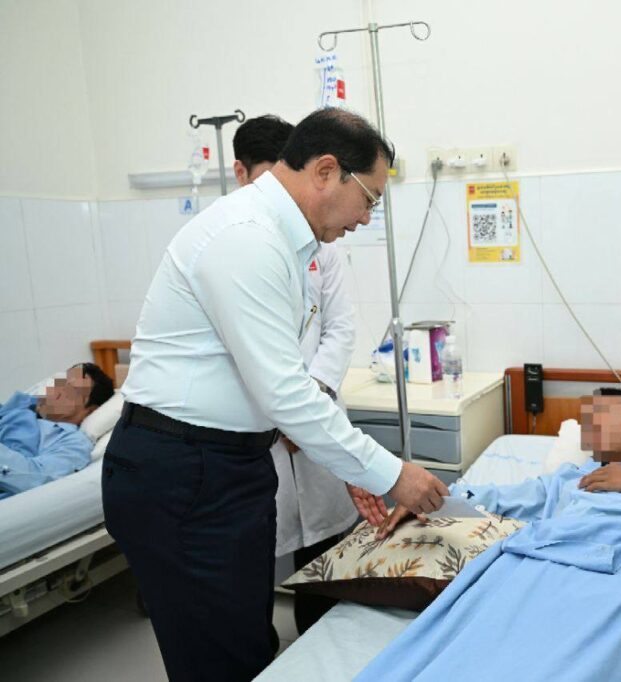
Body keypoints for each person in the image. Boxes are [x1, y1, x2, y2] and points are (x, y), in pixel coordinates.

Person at [102, 108, 448, 682]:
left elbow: (290, 378)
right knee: (219, 658)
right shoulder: (245, 238)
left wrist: (350, 464)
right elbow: (285, 392)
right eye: (369, 199)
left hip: (228, 465)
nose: (366, 217)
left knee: (247, 639)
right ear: (326, 171)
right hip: (184, 472)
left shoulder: (288, 243)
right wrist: (390, 473)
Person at [362, 388, 621, 682]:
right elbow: (498, 499)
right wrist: (432, 502)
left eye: (600, 413)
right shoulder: (568, 480)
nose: (589, 426)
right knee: (459, 657)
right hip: (531, 565)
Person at [234, 113, 363, 633]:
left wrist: (311, 398)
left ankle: (323, 648)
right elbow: (242, 352)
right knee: (253, 574)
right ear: (243, 175)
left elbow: (341, 327)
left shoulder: (322, 247)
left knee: (325, 565)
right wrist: (285, 413)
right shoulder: (235, 241)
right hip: (263, 430)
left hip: (313, 413)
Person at [0, 363, 113, 499]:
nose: (57, 390)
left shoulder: (74, 443)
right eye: (61, 382)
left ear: (90, 410)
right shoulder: (17, 408)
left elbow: (35, 478)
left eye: (72, 390)